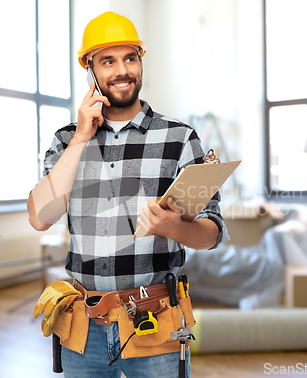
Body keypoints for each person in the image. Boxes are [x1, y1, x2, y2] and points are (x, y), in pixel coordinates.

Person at [28, 11, 229, 378]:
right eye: (108, 60)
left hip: (155, 323)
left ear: (140, 62)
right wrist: (81, 138)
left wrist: (173, 227)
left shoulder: (180, 138)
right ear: (91, 71)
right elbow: (40, 217)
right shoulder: (65, 141)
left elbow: (211, 233)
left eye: (130, 58)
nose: (122, 70)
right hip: (83, 324)